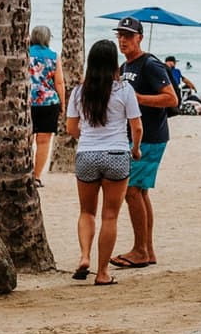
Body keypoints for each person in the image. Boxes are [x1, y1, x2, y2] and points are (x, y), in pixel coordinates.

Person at [67, 38, 141, 284]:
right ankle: (102, 273)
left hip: (86, 154)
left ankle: (84, 256)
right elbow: (137, 126)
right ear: (113, 63)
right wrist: (136, 149)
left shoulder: (79, 91)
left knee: (86, 212)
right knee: (110, 216)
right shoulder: (124, 90)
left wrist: (88, 138)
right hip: (117, 155)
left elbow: (71, 128)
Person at [111, 18, 176, 270]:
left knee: (132, 191)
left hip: (149, 136)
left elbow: (171, 99)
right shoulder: (125, 65)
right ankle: (147, 250)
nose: (123, 40)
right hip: (137, 135)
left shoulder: (150, 64)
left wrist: (137, 99)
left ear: (140, 37)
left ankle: (140, 250)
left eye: (128, 35)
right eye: (120, 36)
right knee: (140, 192)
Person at [27, 24, 61, 182]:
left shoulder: (25, 54)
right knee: (43, 141)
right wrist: (63, 104)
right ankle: (36, 176)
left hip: (27, 102)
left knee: (26, 139)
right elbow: (59, 83)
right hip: (48, 102)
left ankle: (24, 172)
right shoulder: (53, 56)